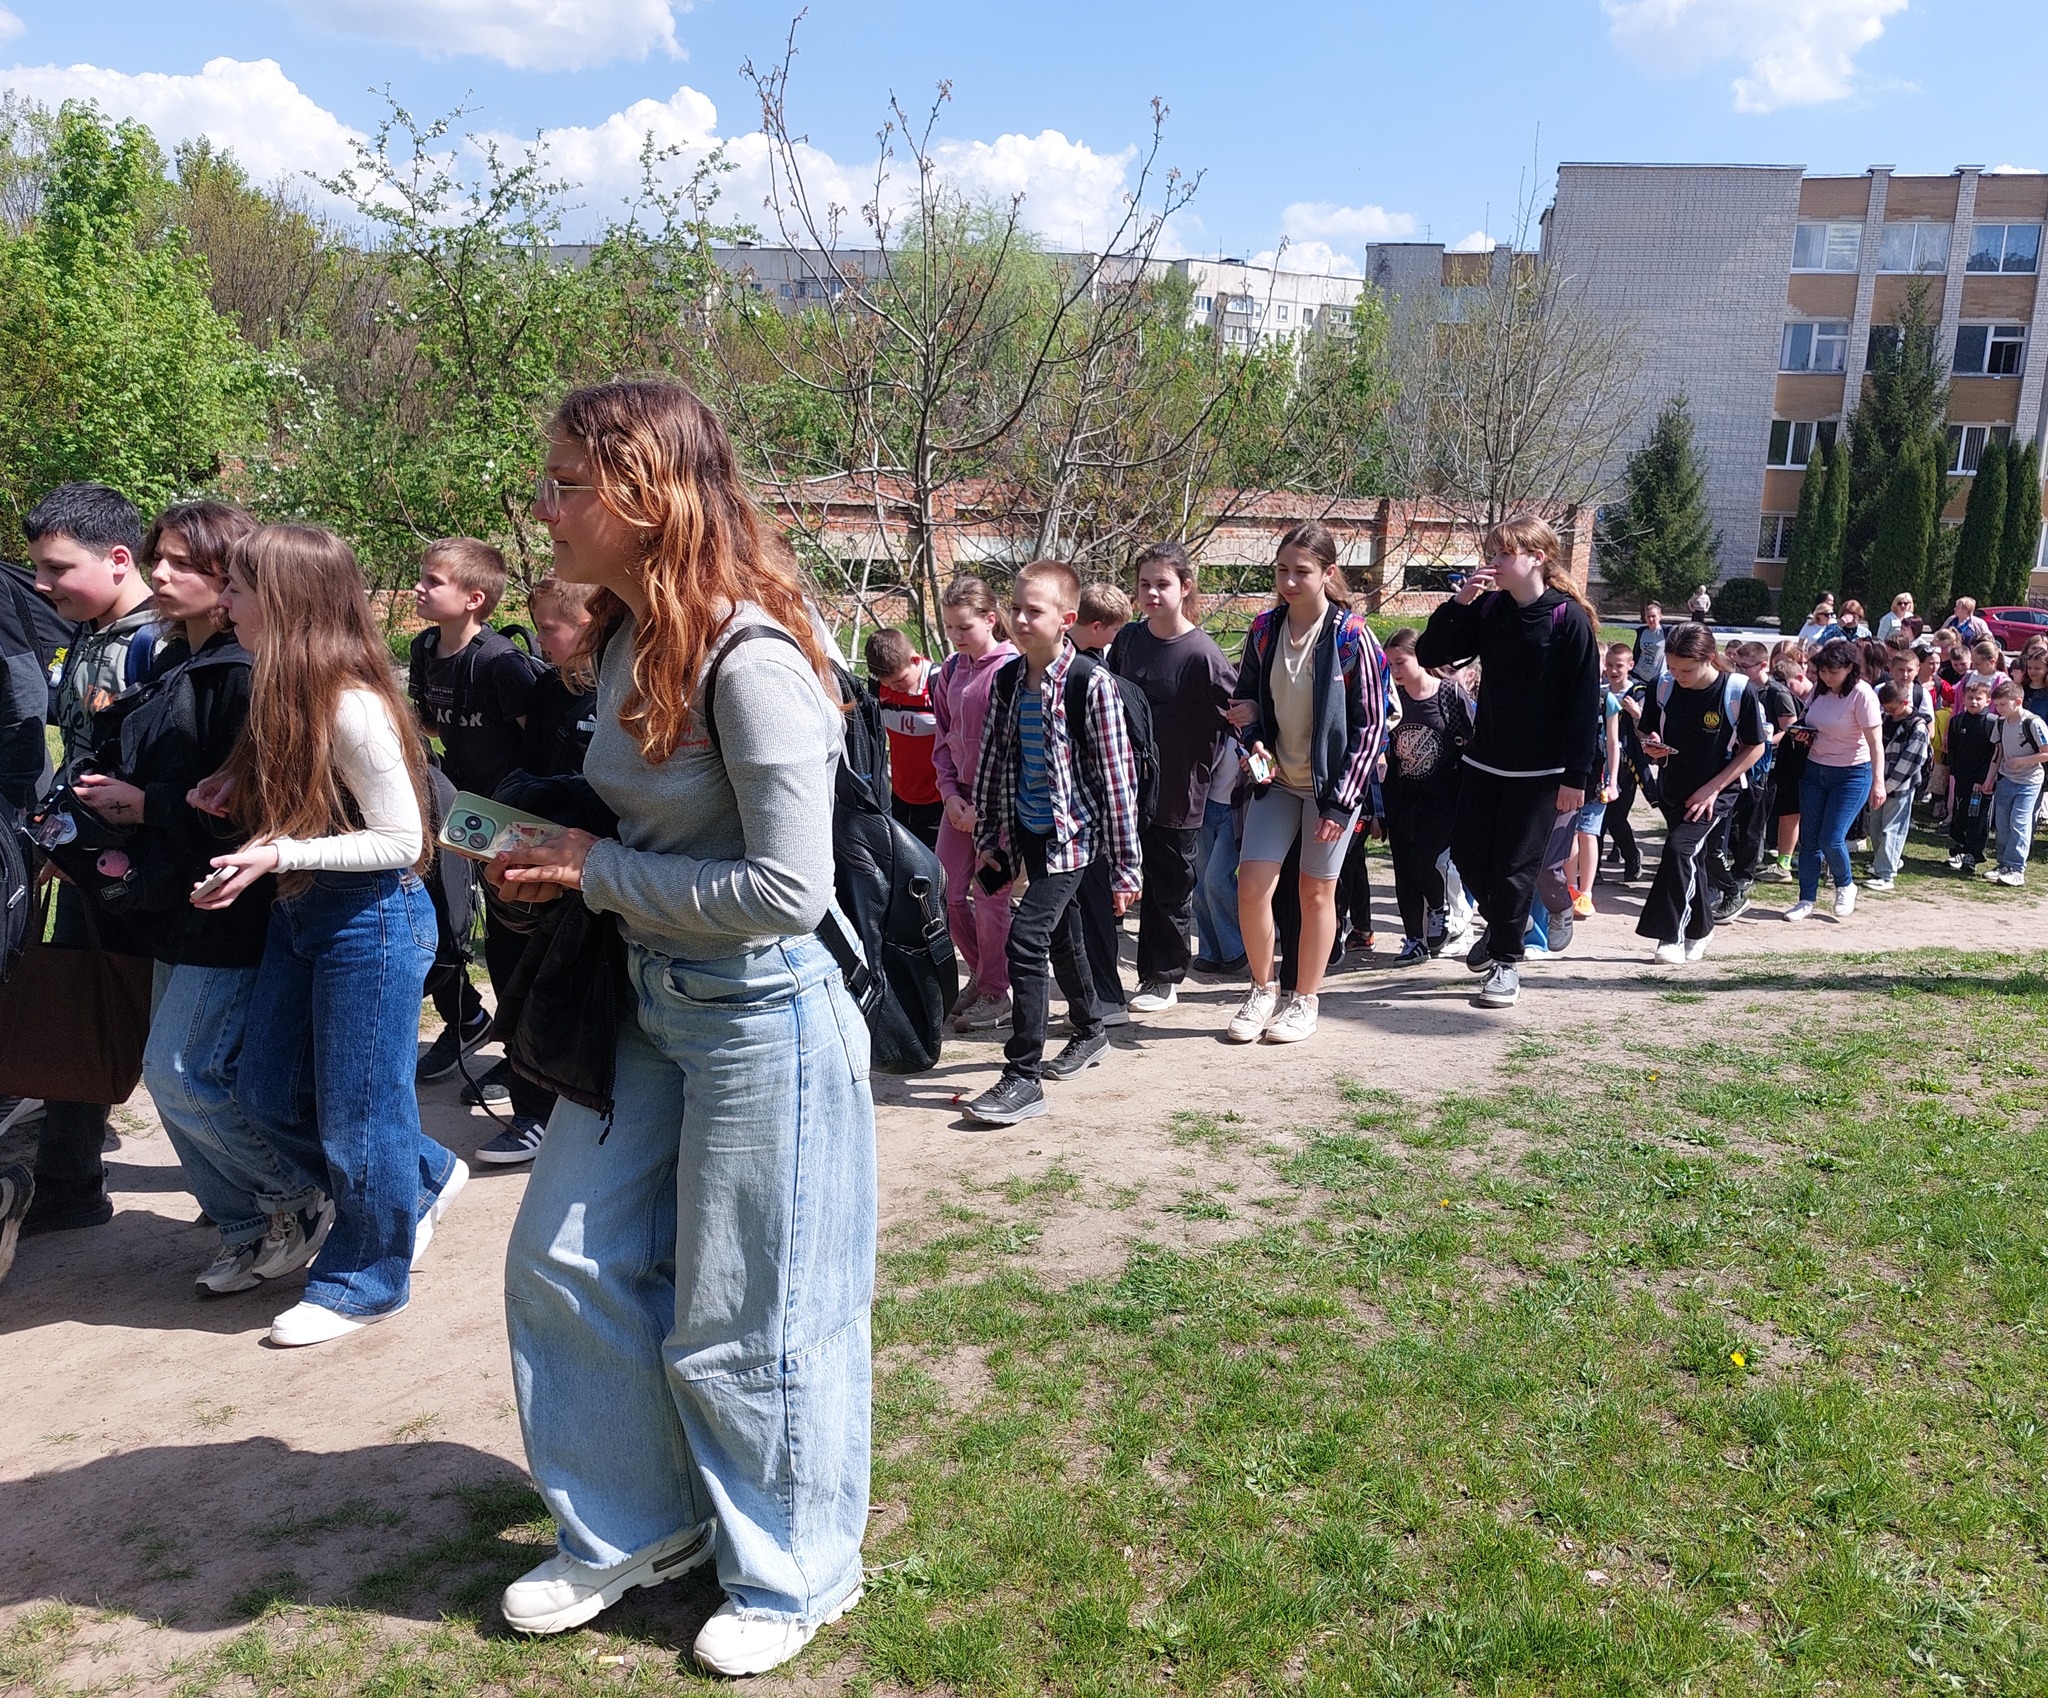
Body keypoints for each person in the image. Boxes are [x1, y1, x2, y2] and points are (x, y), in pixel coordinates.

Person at [487, 380, 874, 1676]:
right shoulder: (623, 636)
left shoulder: (750, 658)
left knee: (753, 1309)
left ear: (644, 494)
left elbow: (787, 894)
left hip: (766, 1015)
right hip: (647, 997)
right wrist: (552, 850)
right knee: (561, 1257)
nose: (544, 506)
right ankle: (636, 1525)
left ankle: (794, 1570)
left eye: (565, 484)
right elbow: (642, 823)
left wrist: (591, 869)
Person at [190, 524, 464, 1348]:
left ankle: (365, 1282)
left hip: (371, 922)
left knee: (359, 1117)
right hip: (303, 912)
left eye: (237, 588)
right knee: (267, 1094)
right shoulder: (282, 686)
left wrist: (278, 852)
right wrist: (234, 786)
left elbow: (402, 841)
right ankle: (422, 1175)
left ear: (285, 602)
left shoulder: (353, 703)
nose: (224, 602)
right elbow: (318, 799)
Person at [69, 503, 335, 1296]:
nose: (161, 574)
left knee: (184, 1071)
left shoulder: (243, 675)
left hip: (231, 908)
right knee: (172, 1076)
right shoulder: (170, 663)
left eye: (185, 563)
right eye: (159, 557)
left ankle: (295, 1197)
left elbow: (265, 811)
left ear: (232, 577)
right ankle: (247, 1227)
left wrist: (144, 805)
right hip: (172, 903)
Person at [20, 482, 157, 1240]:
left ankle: (257, 1191)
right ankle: (69, 1184)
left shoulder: (164, 640)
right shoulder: (85, 633)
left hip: (156, 874)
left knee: (185, 1038)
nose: (42, 584)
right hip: (83, 862)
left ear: (117, 559)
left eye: (57, 568)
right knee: (82, 1008)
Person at [962, 561, 1141, 1124]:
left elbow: (1118, 782)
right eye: (1014, 608)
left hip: (1074, 838)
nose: (1019, 619)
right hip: (1028, 833)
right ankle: (1090, 1030)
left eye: (1033, 611)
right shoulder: (1008, 681)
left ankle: (1023, 1077)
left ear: (1066, 619)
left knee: (1026, 941)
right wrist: (990, 838)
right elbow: (992, 765)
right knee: (1062, 936)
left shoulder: (1092, 684)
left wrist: (1126, 867)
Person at [1416, 516, 1600, 1011]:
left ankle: (1505, 963)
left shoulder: (1567, 619)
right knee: (1467, 855)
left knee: (1515, 868)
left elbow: (1584, 704)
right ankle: (1503, 928)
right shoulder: (1490, 607)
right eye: (1492, 552)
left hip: (1542, 773)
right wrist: (1460, 603)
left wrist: (1577, 777)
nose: (1493, 562)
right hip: (1485, 762)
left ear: (1536, 558)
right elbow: (1431, 652)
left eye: (1503, 553)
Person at [1222, 523, 1391, 1043]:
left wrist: (1342, 803)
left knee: (1315, 891)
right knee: (1251, 886)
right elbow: (1246, 702)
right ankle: (1261, 990)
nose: (1289, 582)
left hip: (1330, 790)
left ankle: (1305, 1000)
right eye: (1282, 570)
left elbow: (1371, 725)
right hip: (1276, 782)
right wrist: (1252, 739)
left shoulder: (1351, 635)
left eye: (1302, 571)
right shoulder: (1264, 628)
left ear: (1328, 573)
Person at [463, 573, 601, 1166]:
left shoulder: (623, 693)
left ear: (589, 626)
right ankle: (530, 1111)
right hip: (531, 858)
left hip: (591, 869)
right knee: (511, 969)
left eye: (549, 628)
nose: (538, 640)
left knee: (568, 989)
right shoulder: (547, 688)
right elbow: (527, 774)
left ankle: (567, 1114)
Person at [408, 539, 540, 1083]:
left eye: (433, 581)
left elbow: (539, 740)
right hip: (451, 808)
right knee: (439, 918)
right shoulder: (423, 648)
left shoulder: (501, 663)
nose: (419, 588)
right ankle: (465, 1018)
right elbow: (431, 720)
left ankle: (523, 1059)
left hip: (505, 816)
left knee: (510, 939)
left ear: (473, 598)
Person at [1109, 543, 1233, 1013]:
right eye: (1144, 584)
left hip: (1178, 790)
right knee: (1113, 881)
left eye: (1162, 584)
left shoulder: (1202, 654)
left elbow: (1238, 713)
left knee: (1169, 887)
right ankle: (1104, 981)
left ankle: (1162, 978)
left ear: (1185, 588)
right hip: (1124, 787)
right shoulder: (1128, 640)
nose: (1152, 593)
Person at [1634, 623, 1765, 964]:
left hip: (1717, 792)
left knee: (1679, 850)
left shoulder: (1737, 690)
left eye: (1686, 670)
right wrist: (1650, 746)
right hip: (1673, 787)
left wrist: (1712, 789)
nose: (1678, 676)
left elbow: (1755, 747)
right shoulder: (1662, 686)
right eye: (1672, 667)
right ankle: (1702, 929)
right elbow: (1646, 731)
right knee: (1692, 858)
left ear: (1709, 659)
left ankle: (1671, 936)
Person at [930, 576, 1017, 1034]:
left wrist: (988, 807)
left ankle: (997, 992)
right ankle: (984, 977)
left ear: (990, 619)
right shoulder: (949, 670)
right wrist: (949, 795)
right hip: (958, 800)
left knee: (990, 896)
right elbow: (943, 740)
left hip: (999, 804)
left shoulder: (1012, 669)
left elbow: (1018, 749)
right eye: (949, 627)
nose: (956, 636)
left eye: (964, 626)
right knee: (944, 892)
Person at [1378, 628, 1472, 965]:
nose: (1395, 671)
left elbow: (1472, 743)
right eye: (1390, 665)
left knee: (1424, 861)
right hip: (1401, 798)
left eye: (1400, 662)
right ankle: (1414, 940)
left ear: (1420, 658)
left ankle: (1437, 906)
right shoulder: (1390, 700)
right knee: (1404, 870)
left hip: (1442, 798)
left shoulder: (1449, 695)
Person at [1067, 581, 1135, 1031]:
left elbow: (1115, 764)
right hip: (1089, 812)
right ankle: (1097, 997)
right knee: (1086, 914)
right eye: (1113, 631)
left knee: (1093, 913)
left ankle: (1107, 997)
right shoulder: (1083, 669)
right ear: (1096, 627)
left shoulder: (1089, 671)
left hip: (1089, 817)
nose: (1115, 639)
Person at [1784, 639, 1884, 923]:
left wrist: (1878, 782)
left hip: (1852, 773)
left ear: (1850, 668)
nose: (1827, 677)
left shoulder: (1862, 694)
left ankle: (1845, 885)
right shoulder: (1819, 689)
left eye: (1833, 672)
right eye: (1823, 671)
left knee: (1831, 838)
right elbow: (1806, 720)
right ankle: (1806, 899)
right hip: (1815, 770)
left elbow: (1875, 743)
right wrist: (1801, 732)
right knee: (1809, 840)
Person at [1718, 640, 1797, 908]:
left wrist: (1762, 741)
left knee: (1753, 823)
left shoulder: (1777, 693)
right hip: (1738, 762)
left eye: (1745, 666)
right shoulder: (1739, 687)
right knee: (1732, 820)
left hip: (1765, 768)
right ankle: (1732, 864)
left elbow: (1790, 729)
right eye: (1737, 665)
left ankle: (1744, 874)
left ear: (1763, 665)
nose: (1740, 670)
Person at [864, 627, 943, 849]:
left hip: (938, 800)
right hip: (900, 796)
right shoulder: (880, 689)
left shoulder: (940, 684)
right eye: (888, 683)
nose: (895, 688)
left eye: (900, 681)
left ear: (915, 660)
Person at [1864, 681, 1932, 891]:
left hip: (1900, 787)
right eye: (1885, 708)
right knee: (1875, 827)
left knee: (1892, 829)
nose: (1888, 712)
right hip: (1878, 784)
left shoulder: (1917, 727)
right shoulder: (1885, 719)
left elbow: (1910, 763)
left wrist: (1887, 786)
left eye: (1892, 708)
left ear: (1905, 702)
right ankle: (1884, 861)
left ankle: (1886, 875)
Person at [1189, 733, 1247, 974]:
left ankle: (1236, 948)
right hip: (1206, 806)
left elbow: (1269, 770)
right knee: (1201, 884)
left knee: (1217, 879)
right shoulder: (1214, 722)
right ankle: (1210, 952)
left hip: (1238, 810)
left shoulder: (1257, 726)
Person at [1984, 676, 2048, 885]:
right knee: (2002, 824)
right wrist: (1989, 779)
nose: (1999, 709)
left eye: (2003, 704)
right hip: (2006, 779)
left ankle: (2016, 868)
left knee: (2019, 822)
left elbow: (2046, 753)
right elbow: (1998, 752)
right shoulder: (2001, 723)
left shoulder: (2033, 722)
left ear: (2018, 701)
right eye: (1997, 705)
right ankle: (2003, 864)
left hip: (2029, 782)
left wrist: (2022, 761)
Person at [1570, 667, 1623, 917]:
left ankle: (1586, 892)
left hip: (1597, 779)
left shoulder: (1606, 700)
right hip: (1569, 777)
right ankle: (1570, 888)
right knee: (1569, 833)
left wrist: (1613, 782)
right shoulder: (1565, 693)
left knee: (1588, 832)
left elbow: (1613, 743)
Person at [1600, 643, 1647, 884]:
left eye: (1619, 665)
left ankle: (1631, 856)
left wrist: (1637, 714)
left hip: (1628, 765)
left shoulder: (1638, 693)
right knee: (1598, 817)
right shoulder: (1600, 693)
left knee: (1616, 816)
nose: (1613, 670)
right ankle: (1593, 870)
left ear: (1630, 665)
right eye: (1609, 665)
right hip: (1601, 762)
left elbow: (1650, 730)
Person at [1944, 678, 1997, 872]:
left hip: (1982, 783)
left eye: (1978, 698)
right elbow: (1953, 750)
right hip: (1962, 779)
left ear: (1988, 701)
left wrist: (1983, 780)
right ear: (1964, 699)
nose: (1974, 702)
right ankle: (1959, 849)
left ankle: (1973, 855)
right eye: (1970, 698)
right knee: (1960, 815)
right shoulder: (1957, 721)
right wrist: (1954, 772)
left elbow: (1993, 755)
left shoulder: (1992, 723)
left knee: (1978, 819)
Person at [1631, 601, 1667, 684]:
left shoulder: (1666, 632)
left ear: (1660, 616)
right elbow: (1636, 652)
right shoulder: (1642, 632)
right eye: (1648, 617)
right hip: (1639, 675)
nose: (1651, 619)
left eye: (1653, 616)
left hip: (1658, 677)